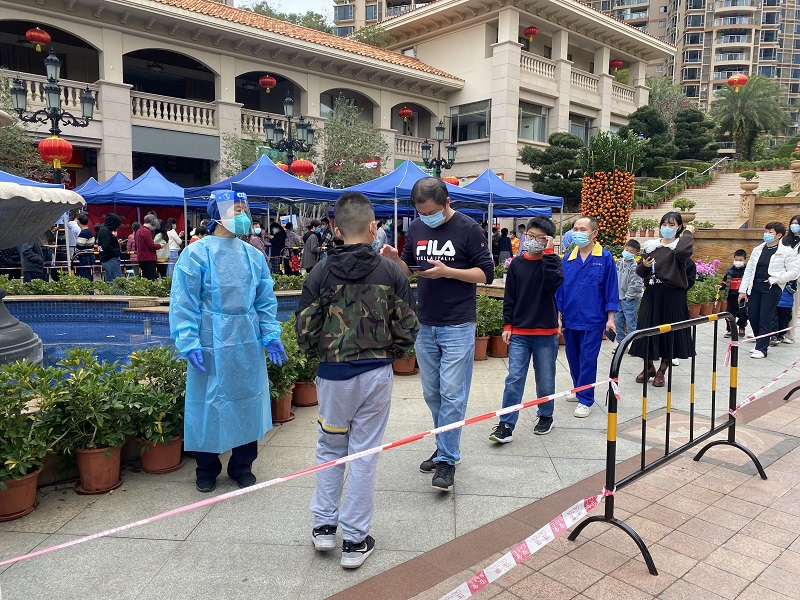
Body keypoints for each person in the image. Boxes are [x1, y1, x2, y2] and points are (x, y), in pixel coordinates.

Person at [295, 192, 419, 569]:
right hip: (375, 376)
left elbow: (305, 328)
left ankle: (323, 527)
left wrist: (321, 355)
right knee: (364, 454)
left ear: (335, 230)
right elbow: (408, 326)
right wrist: (393, 353)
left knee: (330, 448)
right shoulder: (392, 272)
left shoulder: (320, 272)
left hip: (333, 377)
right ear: (373, 227)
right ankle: (354, 540)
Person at [381, 177, 495, 491]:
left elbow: (486, 274)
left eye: (431, 212)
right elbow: (408, 270)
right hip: (426, 322)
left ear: (446, 202)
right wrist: (395, 260)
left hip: (458, 323)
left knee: (453, 394)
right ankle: (444, 444)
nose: (426, 217)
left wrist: (448, 272)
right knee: (433, 394)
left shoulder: (469, 228)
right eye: (421, 212)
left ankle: (447, 459)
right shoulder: (417, 228)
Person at [170, 190, 287, 493]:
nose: (243, 215)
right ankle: (206, 468)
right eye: (236, 209)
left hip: (246, 339)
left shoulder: (253, 256)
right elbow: (184, 303)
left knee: (247, 399)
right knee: (208, 402)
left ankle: (242, 466)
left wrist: (270, 334)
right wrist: (188, 341)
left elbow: (264, 300)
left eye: (244, 209)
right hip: (209, 339)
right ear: (218, 214)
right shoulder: (195, 254)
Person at [489, 217, 563, 442]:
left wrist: (548, 253)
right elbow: (509, 297)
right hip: (520, 332)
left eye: (539, 238)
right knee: (514, 378)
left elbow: (552, 284)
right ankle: (506, 424)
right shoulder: (517, 264)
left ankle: (546, 415)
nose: (532, 240)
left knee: (545, 379)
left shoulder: (553, 262)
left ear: (547, 240)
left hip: (546, 333)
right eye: (530, 236)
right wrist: (507, 325)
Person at [556, 215, 618, 417]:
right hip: (571, 318)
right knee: (573, 358)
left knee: (588, 359)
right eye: (575, 229)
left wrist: (610, 319)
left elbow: (611, 289)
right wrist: (559, 316)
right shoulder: (568, 259)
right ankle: (579, 388)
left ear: (594, 233)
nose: (578, 233)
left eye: (583, 229)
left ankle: (586, 399)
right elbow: (560, 291)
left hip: (593, 319)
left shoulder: (605, 258)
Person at [629, 212, 694, 384]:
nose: (667, 228)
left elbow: (683, 252)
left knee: (669, 333)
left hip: (672, 296)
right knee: (646, 330)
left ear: (679, 227)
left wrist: (688, 233)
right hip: (652, 293)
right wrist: (644, 265)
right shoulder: (652, 246)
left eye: (671, 225)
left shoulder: (679, 248)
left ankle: (662, 371)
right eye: (664, 224)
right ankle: (648, 366)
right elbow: (640, 271)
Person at [738, 222, 800, 359]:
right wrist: (743, 290)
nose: (767, 234)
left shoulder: (786, 252)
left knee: (765, 317)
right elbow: (749, 270)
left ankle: (762, 348)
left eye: (770, 232)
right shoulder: (757, 250)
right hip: (755, 286)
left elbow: (794, 272)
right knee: (753, 316)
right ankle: (760, 342)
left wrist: (777, 279)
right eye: (766, 231)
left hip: (771, 288)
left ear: (779, 235)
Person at [615, 239, 644, 338]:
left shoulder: (635, 267)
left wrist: (628, 296)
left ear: (636, 253)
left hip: (629, 300)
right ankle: (621, 342)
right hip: (618, 298)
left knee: (630, 323)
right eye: (626, 250)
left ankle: (635, 342)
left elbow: (636, 284)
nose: (627, 253)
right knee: (617, 322)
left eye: (631, 251)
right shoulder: (619, 262)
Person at [721, 249, 748, 339]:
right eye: (736, 260)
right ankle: (730, 329)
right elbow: (724, 282)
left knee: (743, 313)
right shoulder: (730, 271)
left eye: (740, 260)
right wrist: (721, 286)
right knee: (729, 313)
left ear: (745, 260)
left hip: (743, 296)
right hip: (731, 296)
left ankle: (742, 327)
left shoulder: (747, 271)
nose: (738, 262)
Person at [782, 214, 800, 344]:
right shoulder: (784, 240)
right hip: (781, 276)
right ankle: (774, 332)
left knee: (793, 307)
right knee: (774, 306)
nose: (794, 226)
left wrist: (793, 276)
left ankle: (790, 335)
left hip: (796, 280)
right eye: (792, 223)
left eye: (797, 224)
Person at [135, 214, 163, 281]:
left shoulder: (139, 230)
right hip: (148, 258)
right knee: (152, 279)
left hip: (141, 258)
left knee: (146, 279)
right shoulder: (146, 231)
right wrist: (160, 245)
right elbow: (151, 246)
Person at [96, 213, 123, 282]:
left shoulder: (103, 230)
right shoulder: (106, 231)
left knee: (109, 281)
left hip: (106, 258)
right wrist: (115, 252)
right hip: (111, 259)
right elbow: (107, 246)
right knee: (117, 281)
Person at [73, 213, 96, 281]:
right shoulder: (89, 231)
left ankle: (88, 288)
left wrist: (74, 255)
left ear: (78, 222)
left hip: (85, 257)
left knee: (86, 276)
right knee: (88, 275)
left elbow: (79, 246)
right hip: (90, 255)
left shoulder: (84, 233)